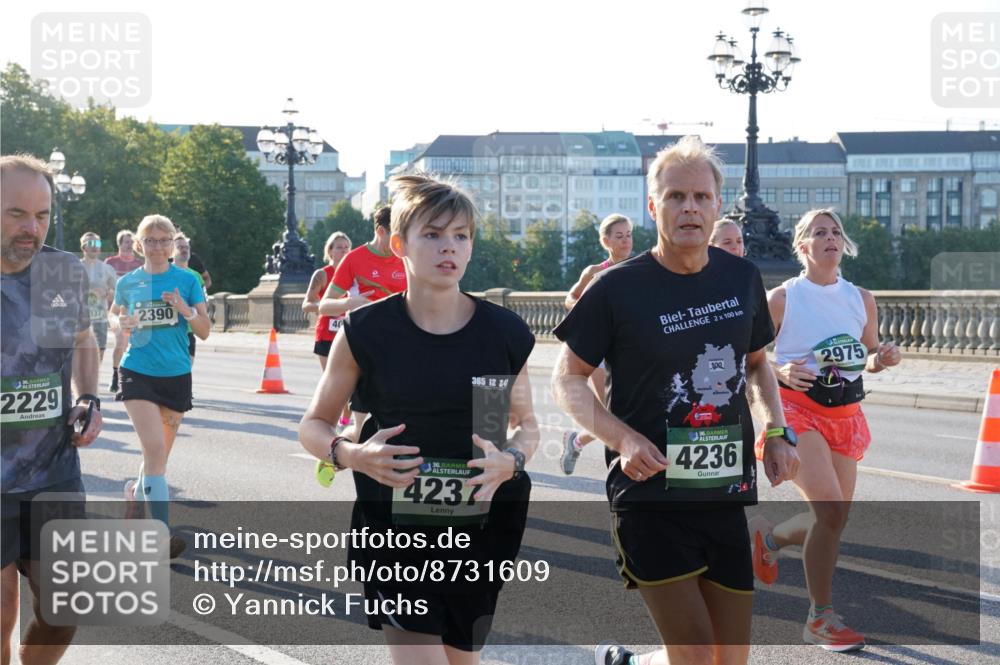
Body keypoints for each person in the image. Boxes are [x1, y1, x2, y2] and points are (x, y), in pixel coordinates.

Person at [551, 136, 799, 665]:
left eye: (702, 197)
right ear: (652, 205)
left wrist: (777, 429)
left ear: (716, 204)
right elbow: (567, 378)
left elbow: (756, 364)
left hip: (723, 492)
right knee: (693, 654)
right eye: (675, 196)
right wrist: (621, 437)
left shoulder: (741, 277)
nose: (690, 207)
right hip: (650, 496)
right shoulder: (617, 287)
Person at [300, 174, 538, 663]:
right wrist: (353, 454)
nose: (448, 247)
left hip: (481, 526)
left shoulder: (503, 333)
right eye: (432, 234)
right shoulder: (366, 331)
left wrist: (509, 460)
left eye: (461, 235)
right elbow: (315, 425)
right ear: (398, 243)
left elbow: (526, 426)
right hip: (395, 529)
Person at [749, 208, 900, 652]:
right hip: (798, 411)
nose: (830, 238)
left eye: (835, 232)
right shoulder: (783, 298)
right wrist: (781, 368)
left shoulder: (861, 298)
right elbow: (751, 357)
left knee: (832, 520)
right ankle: (820, 618)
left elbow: (866, 355)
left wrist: (882, 358)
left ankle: (769, 538)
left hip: (845, 415)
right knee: (831, 513)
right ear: (802, 246)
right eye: (819, 232)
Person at [1, 154, 103, 665]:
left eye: (41, 216)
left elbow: (85, 340)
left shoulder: (61, 272)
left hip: (53, 470)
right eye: (16, 213)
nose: (31, 228)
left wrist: (87, 397)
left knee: (64, 610)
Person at [112, 215, 209, 558]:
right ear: (139, 245)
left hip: (176, 374)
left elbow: (205, 330)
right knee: (154, 453)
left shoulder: (187, 279)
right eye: (149, 240)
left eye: (163, 239)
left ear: (173, 243)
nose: (156, 246)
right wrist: (120, 322)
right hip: (137, 371)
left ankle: (134, 499)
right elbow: (114, 314)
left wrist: (183, 309)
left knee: (158, 459)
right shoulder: (128, 282)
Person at [318, 206, 407, 437]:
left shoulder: (408, 258)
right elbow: (324, 305)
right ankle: (338, 450)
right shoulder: (354, 259)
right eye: (397, 233)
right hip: (365, 345)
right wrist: (351, 303)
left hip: (402, 345)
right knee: (361, 429)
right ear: (380, 230)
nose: (401, 240)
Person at [560, 213, 633, 475]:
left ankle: (576, 441)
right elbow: (570, 299)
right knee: (610, 413)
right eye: (619, 236)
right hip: (600, 351)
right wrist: (589, 307)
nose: (626, 241)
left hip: (628, 349)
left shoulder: (640, 268)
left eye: (628, 235)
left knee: (625, 411)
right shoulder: (594, 272)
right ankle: (621, 466)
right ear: (606, 241)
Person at [105, 230, 144, 393]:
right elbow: (104, 285)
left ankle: (131, 376)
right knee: (121, 341)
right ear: (119, 244)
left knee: (134, 345)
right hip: (117, 310)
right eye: (126, 242)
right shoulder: (110, 263)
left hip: (135, 311)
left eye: (131, 242)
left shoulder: (139, 265)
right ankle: (116, 374)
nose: (129, 245)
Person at [79, 232, 118, 364]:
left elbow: (118, 292)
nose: (95, 247)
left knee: (98, 355)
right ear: (83, 247)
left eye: (97, 243)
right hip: (79, 318)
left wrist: (106, 292)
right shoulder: (75, 268)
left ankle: (94, 381)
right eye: (91, 243)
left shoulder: (107, 269)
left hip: (99, 317)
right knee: (80, 357)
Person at [172, 233, 206, 362]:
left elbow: (204, 303)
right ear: (171, 251)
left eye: (186, 247)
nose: (184, 249)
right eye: (180, 247)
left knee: (187, 368)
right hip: (172, 330)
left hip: (190, 329)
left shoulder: (196, 276)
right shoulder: (165, 273)